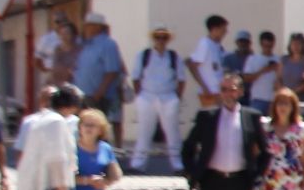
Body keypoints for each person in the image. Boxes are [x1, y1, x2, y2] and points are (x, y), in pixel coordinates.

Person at [129, 25, 186, 171]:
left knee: (172, 131)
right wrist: (140, 95)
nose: (161, 40)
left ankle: (177, 164)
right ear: (153, 39)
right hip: (147, 96)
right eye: (158, 37)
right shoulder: (144, 55)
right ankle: (138, 164)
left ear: (168, 40)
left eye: (164, 37)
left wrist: (176, 98)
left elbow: (181, 79)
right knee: (144, 130)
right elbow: (135, 78)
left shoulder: (174, 57)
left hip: (168, 96)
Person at [74, 13, 126, 122]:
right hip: (82, 95)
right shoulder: (84, 44)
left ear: (98, 27)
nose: (86, 28)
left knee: (99, 128)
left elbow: (112, 72)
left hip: (98, 97)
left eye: (89, 25)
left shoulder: (108, 44)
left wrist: (99, 94)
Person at [188, 16, 231, 109]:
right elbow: (192, 65)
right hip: (209, 92)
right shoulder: (205, 44)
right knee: (211, 120)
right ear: (214, 29)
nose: (225, 32)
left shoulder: (218, 46)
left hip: (219, 91)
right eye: (223, 29)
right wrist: (204, 87)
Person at [35, 14, 81, 88]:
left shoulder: (77, 40)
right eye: (57, 22)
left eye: (63, 21)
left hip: (73, 77)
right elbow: (36, 60)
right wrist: (47, 70)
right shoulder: (46, 39)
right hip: (53, 74)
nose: (60, 24)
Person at [243, 32, 281, 106]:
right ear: (261, 44)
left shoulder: (279, 60)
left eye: (270, 46)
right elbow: (246, 78)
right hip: (258, 98)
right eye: (265, 46)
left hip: (274, 99)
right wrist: (263, 70)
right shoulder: (252, 59)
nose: (268, 48)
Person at [278, 34, 304, 105]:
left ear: (303, 46)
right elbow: (278, 78)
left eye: (298, 44)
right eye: (293, 44)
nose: (296, 46)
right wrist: (283, 91)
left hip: (299, 99)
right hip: (284, 97)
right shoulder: (284, 60)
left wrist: (292, 93)